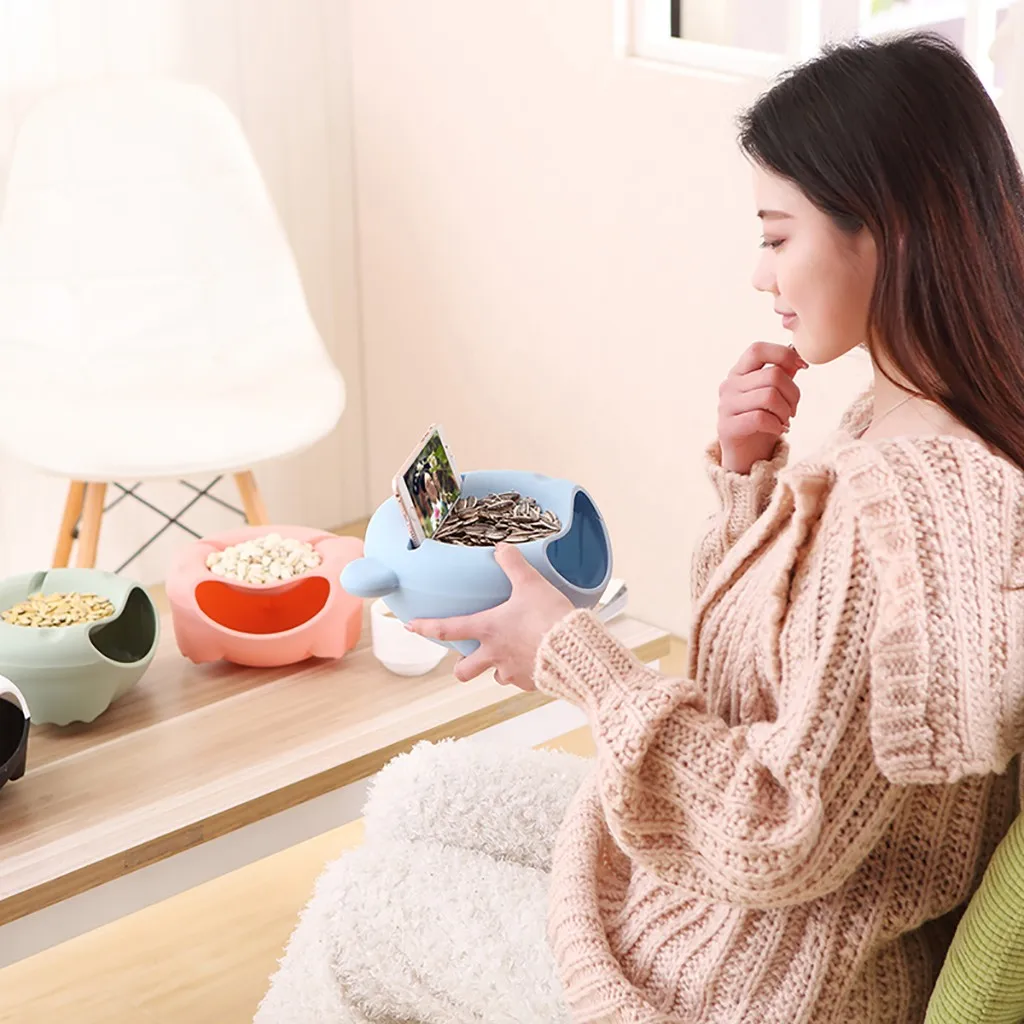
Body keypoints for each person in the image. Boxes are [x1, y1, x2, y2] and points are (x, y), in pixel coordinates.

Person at [255, 34, 1024, 1024]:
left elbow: (776, 832)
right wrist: (747, 478)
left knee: (363, 906)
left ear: (888, 230)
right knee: (422, 791)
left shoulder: (912, 512)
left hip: (760, 983)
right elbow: (764, 673)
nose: (760, 275)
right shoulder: (907, 415)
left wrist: (574, 659)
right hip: (755, 922)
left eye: (776, 236)